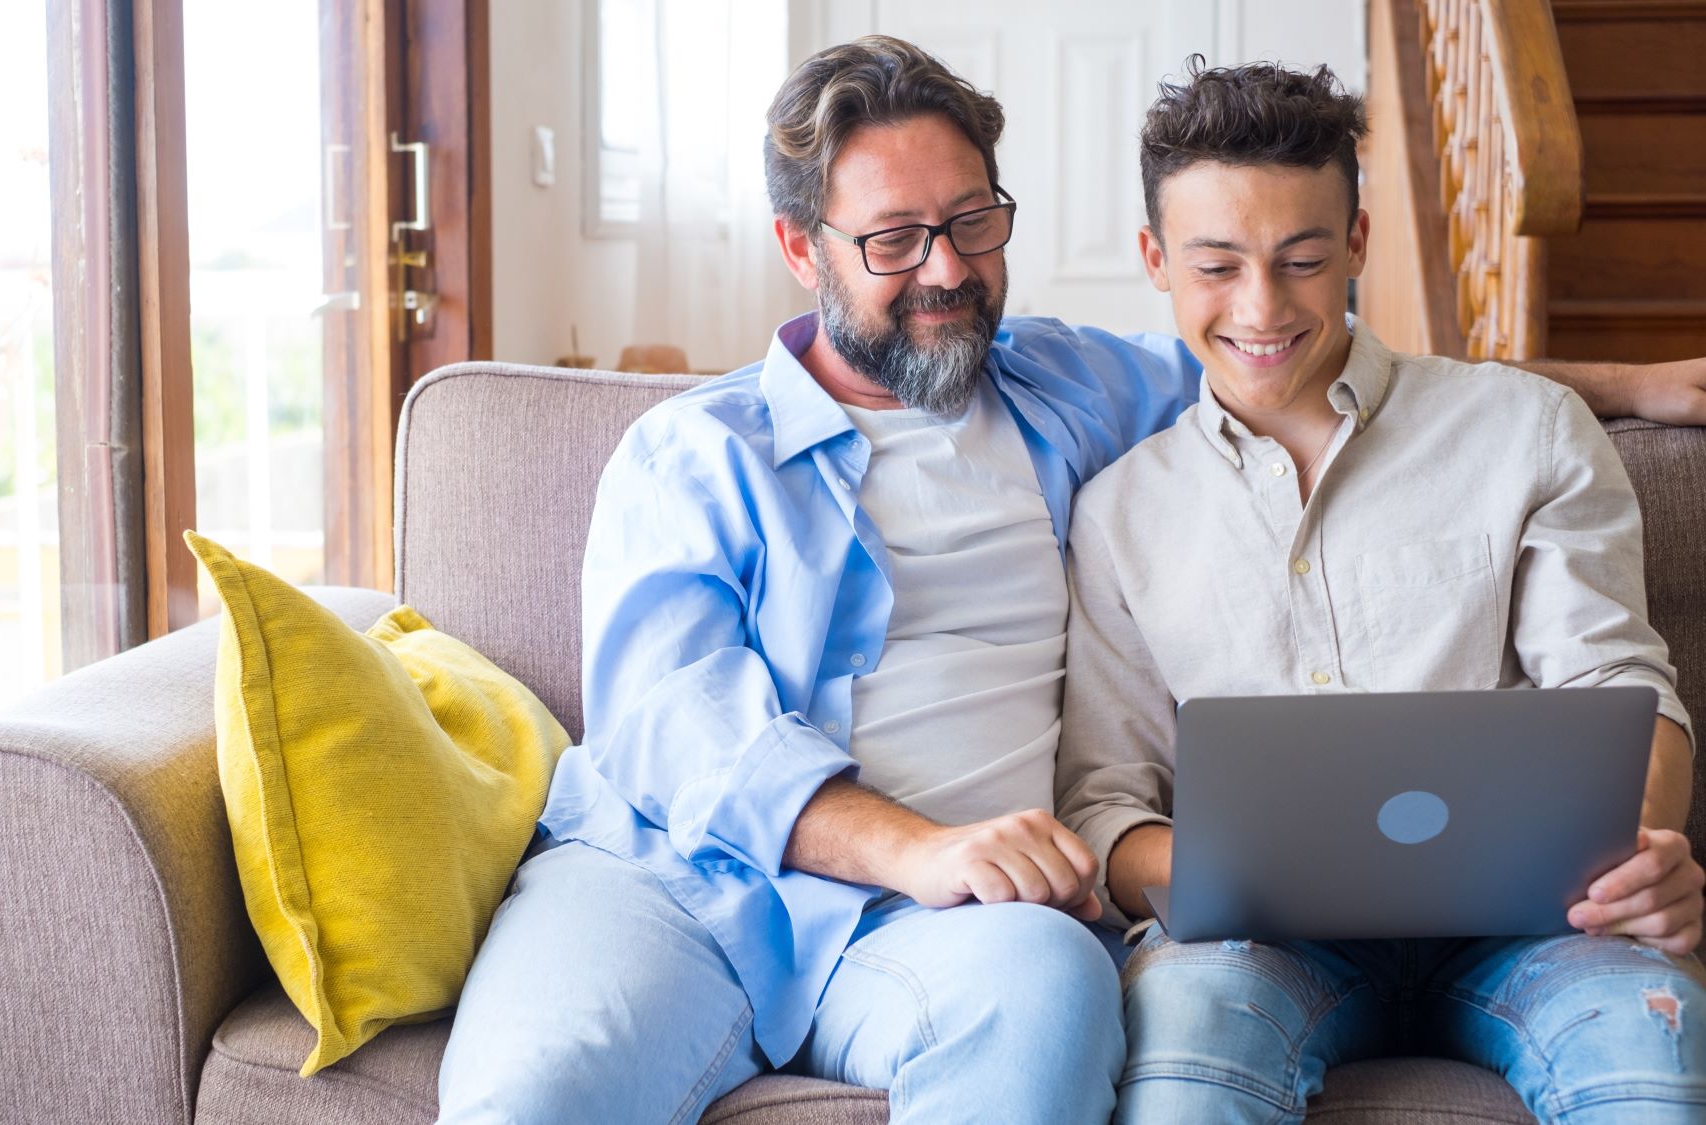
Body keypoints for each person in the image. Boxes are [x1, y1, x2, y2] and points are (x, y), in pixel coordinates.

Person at [436, 37, 1706, 1125]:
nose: (943, 269)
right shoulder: (694, 453)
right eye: (891, 238)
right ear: (797, 245)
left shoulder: (1070, 393)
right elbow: (672, 728)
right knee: (533, 1092)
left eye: (971, 222)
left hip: (951, 931)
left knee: (1047, 1006)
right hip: (675, 888)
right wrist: (919, 850)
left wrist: (1625, 389)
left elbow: (1299, 355)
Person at [1055, 59, 1706, 1123]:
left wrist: (1636, 852)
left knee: (1649, 1047)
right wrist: (1242, 870)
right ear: (1153, 261)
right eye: (1214, 266)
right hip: (1255, 949)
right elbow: (1103, 805)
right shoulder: (1120, 510)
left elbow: (1618, 683)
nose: (1259, 308)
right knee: (1182, 1062)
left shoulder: (1523, 430)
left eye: (1301, 259)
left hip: (1538, 928)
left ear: (1354, 245)